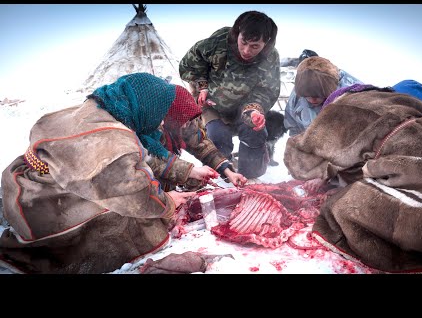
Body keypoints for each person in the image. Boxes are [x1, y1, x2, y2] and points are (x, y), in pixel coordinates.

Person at [0, 72, 246, 274]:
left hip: (22, 186)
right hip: (43, 202)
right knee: (137, 225)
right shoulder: (115, 138)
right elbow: (132, 187)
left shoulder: (101, 108)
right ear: (153, 109)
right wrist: (167, 202)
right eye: (161, 117)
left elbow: (155, 154)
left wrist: (215, 168)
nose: (161, 124)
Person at [284, 84, 422, 273]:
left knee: (344, 207)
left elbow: (303, 156)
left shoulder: (344, 108)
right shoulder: (404, 102)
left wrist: (314, 171)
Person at [179, 10, 281, 179]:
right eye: (244, 42)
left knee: (256, 133)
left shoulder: (270, 57)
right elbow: (189, 66)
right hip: (212, 104)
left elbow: (267, 90)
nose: (247, 50)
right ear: (238, 34)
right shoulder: (217, 43)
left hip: (245, 106)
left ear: (266, 43)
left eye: (255, 46)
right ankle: (222, 176)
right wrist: (202, 86)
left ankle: (249, 176)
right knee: (217, 135)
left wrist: (254, 110)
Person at [284, 55, 363, 137]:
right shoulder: (299, 93)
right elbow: (293, 125)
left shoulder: (354, 96)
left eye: (318, 96)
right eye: (307, 97)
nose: (312, 100)